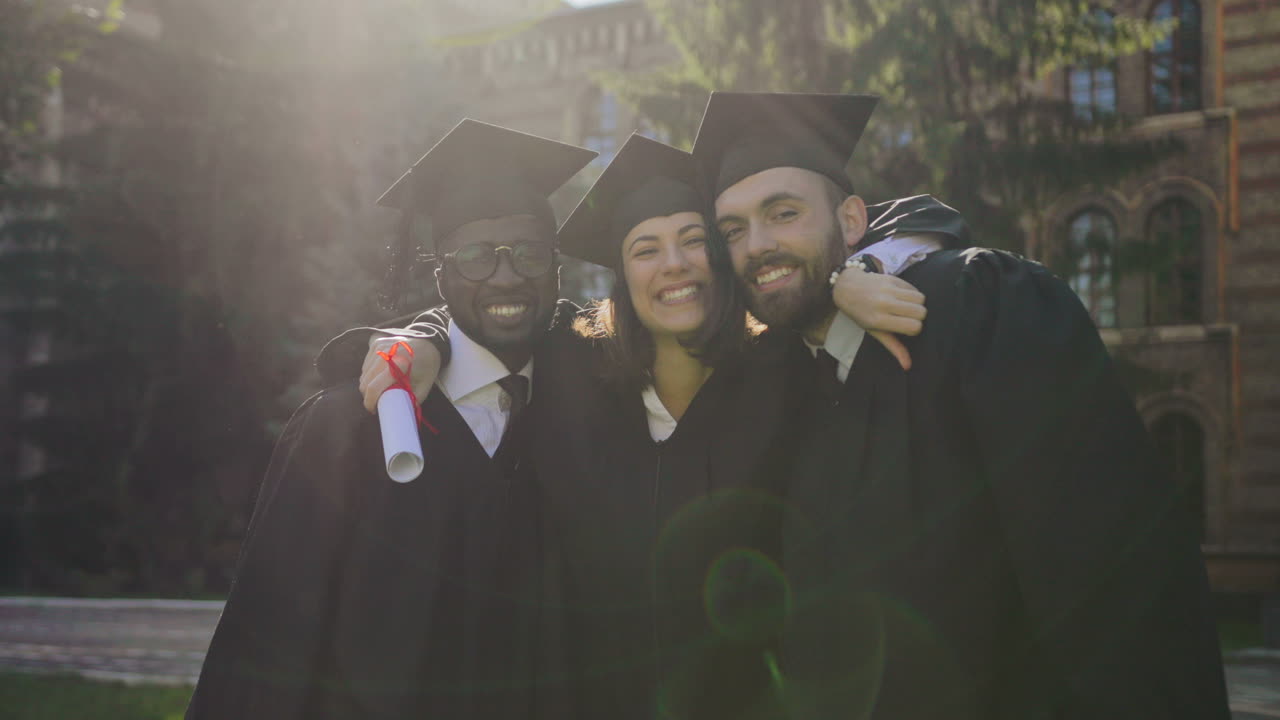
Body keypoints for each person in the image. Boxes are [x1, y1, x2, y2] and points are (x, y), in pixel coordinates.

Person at [320, 133, 968, 719]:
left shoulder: (781, 370)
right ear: (621, 276)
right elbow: (487, 318)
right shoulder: (569, 365)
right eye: (645, 248)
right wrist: (424, 336)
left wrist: (855, 274)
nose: (674, 264)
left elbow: (917, 219)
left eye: (695, 240)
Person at [691, 91, 1230, 719]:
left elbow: (1109, 580)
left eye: (783, 212)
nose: (758, 245)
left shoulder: (980, 306)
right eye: (734, 230)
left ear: (852, 221)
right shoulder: (784, 385)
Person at [186, 119, 596, 719]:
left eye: (530, 253)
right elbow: (269, 641)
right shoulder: (349, 428)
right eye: (476, 257)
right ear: (441, 276)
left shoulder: (587, 411)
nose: (506, 276)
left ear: (557, 269)